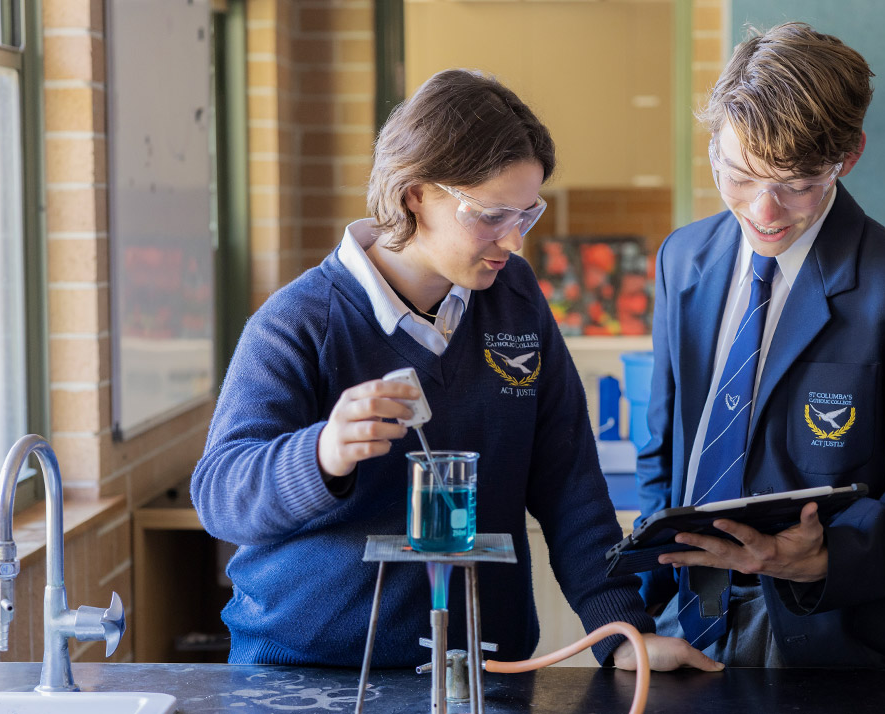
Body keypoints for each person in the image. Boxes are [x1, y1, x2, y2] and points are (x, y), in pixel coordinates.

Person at [192, 69, 717, 673]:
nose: (513, 243)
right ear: (415, 192)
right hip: (309, 670)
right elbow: (219, 494)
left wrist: (620, 631)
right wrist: (322, 453)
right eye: (492, 215)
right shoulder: (299, 321)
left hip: (479, 668)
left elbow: (568, 480)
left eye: (526, 215)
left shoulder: (513, 296)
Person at [635, 22, 885, 714]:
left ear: (846, 158)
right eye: (740, 175)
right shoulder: (684, 259)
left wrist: (817, 559)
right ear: (713, 145)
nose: (764, 211)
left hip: (825, 634)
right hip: (679, 621)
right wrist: (641, 602)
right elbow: (665, 447)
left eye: (796, 185)